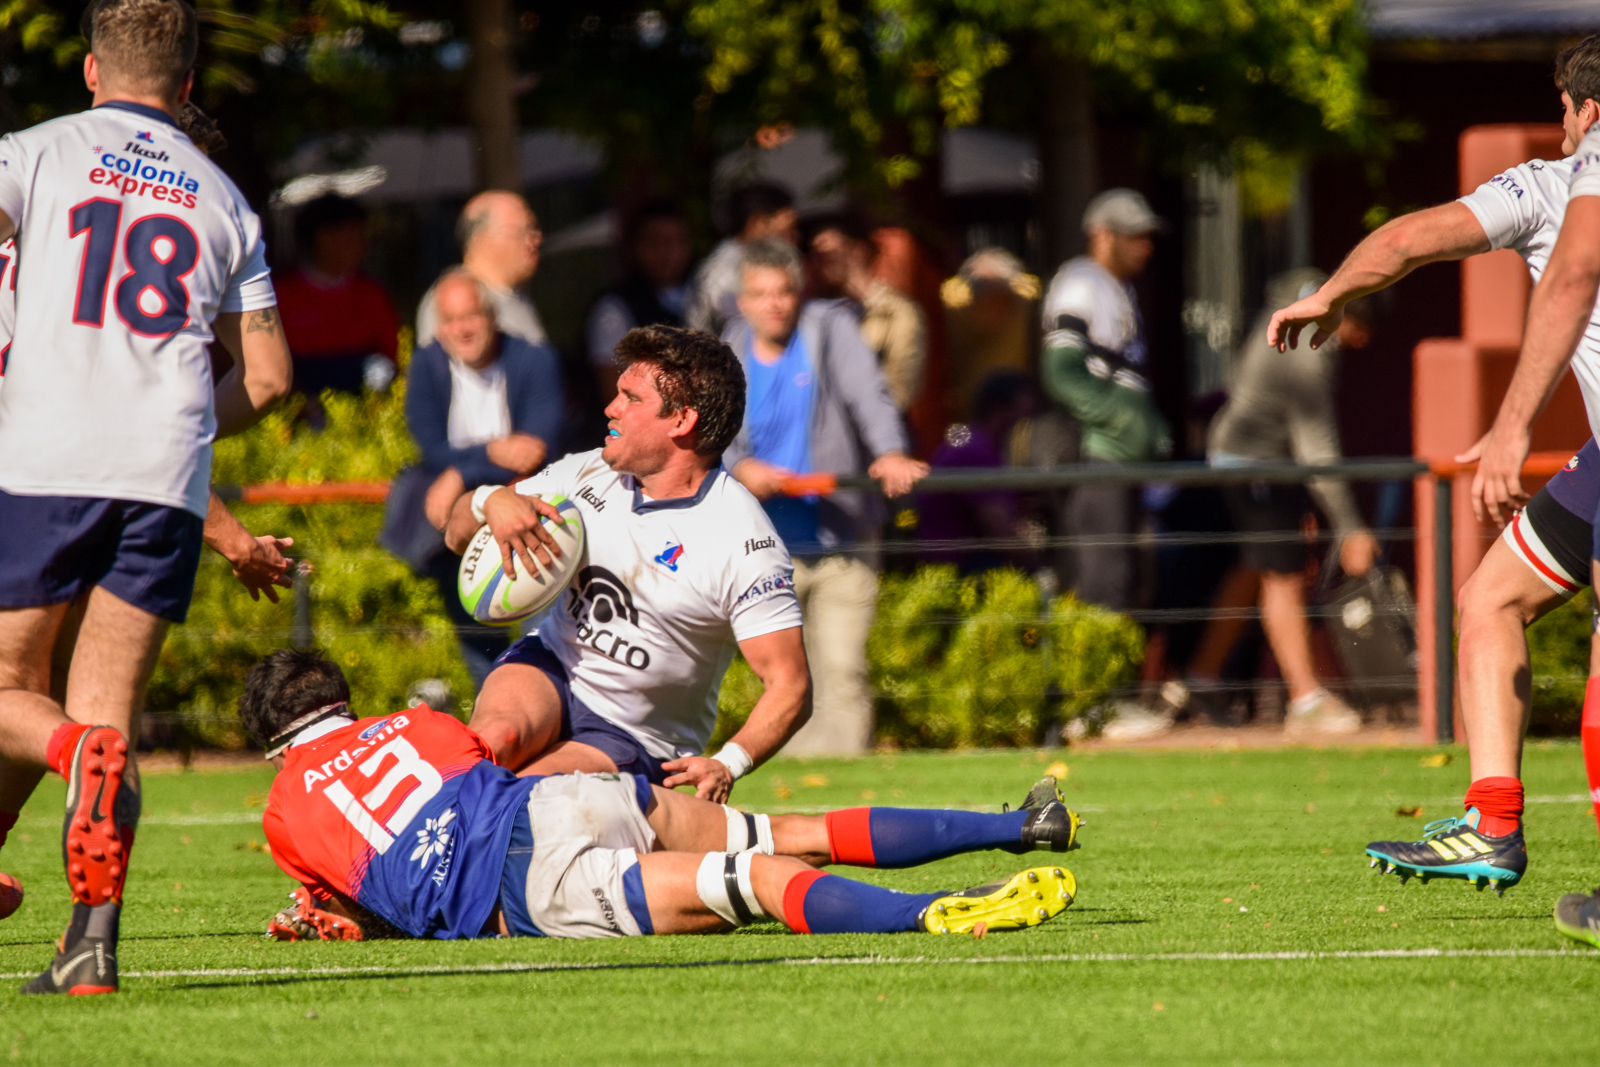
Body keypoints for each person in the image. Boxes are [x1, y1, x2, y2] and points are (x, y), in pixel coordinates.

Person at [0, 0, 293, 994]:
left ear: (89, 71)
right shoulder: (224, 199)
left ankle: (74, 754)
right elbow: (269, 377)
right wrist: (178, 419)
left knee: (12, 694)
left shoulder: (35, 152)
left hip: (46, 451)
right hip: (166, 471)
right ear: (190, 87)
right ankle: (89, 951)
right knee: (107, 709)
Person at [1269, 34, 1600, 901]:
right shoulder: (1552, 184)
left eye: (1563, 111)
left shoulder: (1563, 179)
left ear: (1585, 112)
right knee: (1489, 598)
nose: (1561, 127)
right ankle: (1492, 825)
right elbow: (1414, 238)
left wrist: (1331, 294)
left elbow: (1416, 240)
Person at [245, 649, 1082, 943]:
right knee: (791, 830)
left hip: (521, 883)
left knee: (750, 885)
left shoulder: (284, 806)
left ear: (273, 741)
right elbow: (474, 769)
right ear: (342, 701)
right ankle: (1021, 822)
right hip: (570, 799)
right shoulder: (412, 721)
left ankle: (928, 912)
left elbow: (373, 902)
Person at [445, 325, 808, 803]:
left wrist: (728, 762)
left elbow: (791, 686)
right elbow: (454, 532)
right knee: (487, 748)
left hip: (636, 737)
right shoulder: (589, 470)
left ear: (681, 421)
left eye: (630, 398)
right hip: (552, 664)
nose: (610, 408)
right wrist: (488, 501)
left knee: (518, 800)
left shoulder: (744, 542)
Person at [722, 238, 928, 755]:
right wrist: (742, 467)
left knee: (842, 669)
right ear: (743, 301)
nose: (774, 303)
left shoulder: (830, 328)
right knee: (784, 681)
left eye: (784, 292)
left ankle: (844, 787)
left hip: (841, 535)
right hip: (765, 545)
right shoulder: (728, 346)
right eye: (761, 293)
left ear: (800, 293)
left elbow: (869, 394)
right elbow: (716, 435)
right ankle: (796, 788)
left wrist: (890, 451)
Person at [1204, 270, 1382, 737]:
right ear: (1348, 313)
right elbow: (1317, 449)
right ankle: (1305, 700)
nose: (1359, 344)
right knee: (1282, 575)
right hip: (1256, 462)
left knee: (1255, 568)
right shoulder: (1309, 346)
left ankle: (1200, 678)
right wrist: (1349, 526)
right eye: (1361, 332)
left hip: (1246, 456)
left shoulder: (1298, 309)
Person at [385, 270, 564, 686]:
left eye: (471, 317)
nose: (462, 330)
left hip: (527, 508)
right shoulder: (427, 365)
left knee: (542, 633)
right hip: (456, 525)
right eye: (450, 320)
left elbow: (537, 449)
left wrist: (461, 470)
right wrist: (491, 453)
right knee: (479, 638)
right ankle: (496, 710)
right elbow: (430, 448)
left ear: (492, 317)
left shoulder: (534, 359)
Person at [1040, 189, 1171, 611]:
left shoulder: (1118, 288)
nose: (1145, 246)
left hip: (1124, 463)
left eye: (1147, 236)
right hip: (1097, 458)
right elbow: (1061, 371)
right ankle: (1093, 680)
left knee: (1126, 580)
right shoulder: (1080, 282)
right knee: (1103, 584)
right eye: (1134, 235)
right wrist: (1119, 422)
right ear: (1101, 235)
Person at [273, 193, 400, 399]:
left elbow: (392, 358)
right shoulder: (281, 295)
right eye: (353, 237)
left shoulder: (371, 294)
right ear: (324, 237)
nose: (362, 245)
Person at [916, 371, 1038, 573]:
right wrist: (1044, 569)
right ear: (999, 409)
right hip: (958, 569)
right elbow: (1002, 533)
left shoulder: (978, 444)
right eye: (1023, 404)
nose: (1031, 410)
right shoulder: (975, 451)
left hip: (959, 562)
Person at [806, 211, 927, 413]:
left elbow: (902, 389)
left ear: (858, 250)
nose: (821, 262)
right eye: (815, 254)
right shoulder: (816, 310)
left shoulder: (896, 312)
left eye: (829, 251)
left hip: (878, 429)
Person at [587, 200, 694, 400]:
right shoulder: (614, 309)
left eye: (675, 241)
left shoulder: (698, 297)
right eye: (656, 243)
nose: (667, 253)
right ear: (634, 248)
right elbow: (614, 390)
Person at [417, 190, 546, 348]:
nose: (536, 239)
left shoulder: (520, 300)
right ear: (483, 240)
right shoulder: (452, 300)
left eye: (535, 229)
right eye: (523, 231)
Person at [685, 182, 797, 337]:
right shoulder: (724, 269)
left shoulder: (741, 261)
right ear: (758, 222)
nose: (794, 237)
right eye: (787, 229)